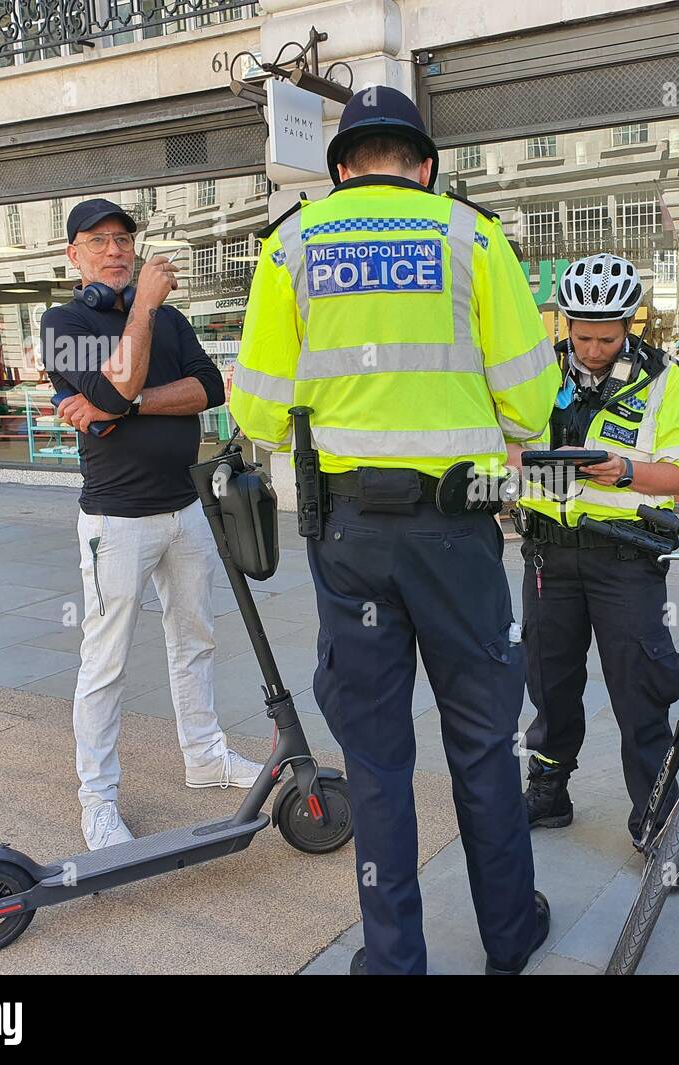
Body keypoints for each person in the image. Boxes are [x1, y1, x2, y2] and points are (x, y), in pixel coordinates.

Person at [229, 86, 561, 975]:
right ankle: (509, 937)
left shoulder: (290, 245)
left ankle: (392, 960)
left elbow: (257, 412)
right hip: (457, 536)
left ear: (340, 169)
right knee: (484, 745)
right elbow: (531, 401)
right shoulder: (473, 237)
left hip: (349, 540)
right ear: (425, 166)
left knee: (375, 759)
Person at [41, 198, 263, 852]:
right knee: (105, 660)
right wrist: (135, 325)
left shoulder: (169, 319)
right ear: (73, 254)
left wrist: (125, 399)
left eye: (124, 238)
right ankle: (98, 798)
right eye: (98, 240)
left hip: (185, 506)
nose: (115, 248)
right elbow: (102, 404)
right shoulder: (65, 321)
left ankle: (204, 754)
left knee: (195, 638)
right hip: (116, 518)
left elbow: (208, 390)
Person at [510, 253, 679, 844]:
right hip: (548, 556)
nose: (593, 349)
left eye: (606, 337)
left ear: (630, 325)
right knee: (550, 682)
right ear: (565, 322)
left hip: (626, 558)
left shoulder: (666, 380)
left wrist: (622, 472)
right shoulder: (535, 373)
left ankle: (655, 810)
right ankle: (548, 791)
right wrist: (517, 466)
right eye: (582, 335)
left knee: (638, 687)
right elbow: (502, 449)